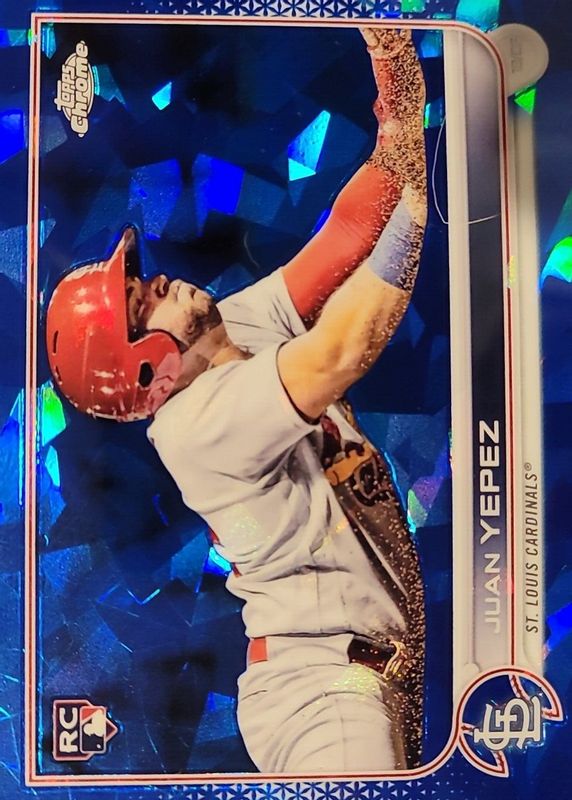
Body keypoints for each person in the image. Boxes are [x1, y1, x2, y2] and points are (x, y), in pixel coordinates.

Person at [46, 27, 427, 773]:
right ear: (148, 370)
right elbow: (343, 349)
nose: (155, 281)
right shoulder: (197, 427)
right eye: (140, 303)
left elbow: (351, 231)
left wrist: (398, 103)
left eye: (139, 280)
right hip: (320, 691)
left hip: (364, 667)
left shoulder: (230, 328)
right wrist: (418, 205)